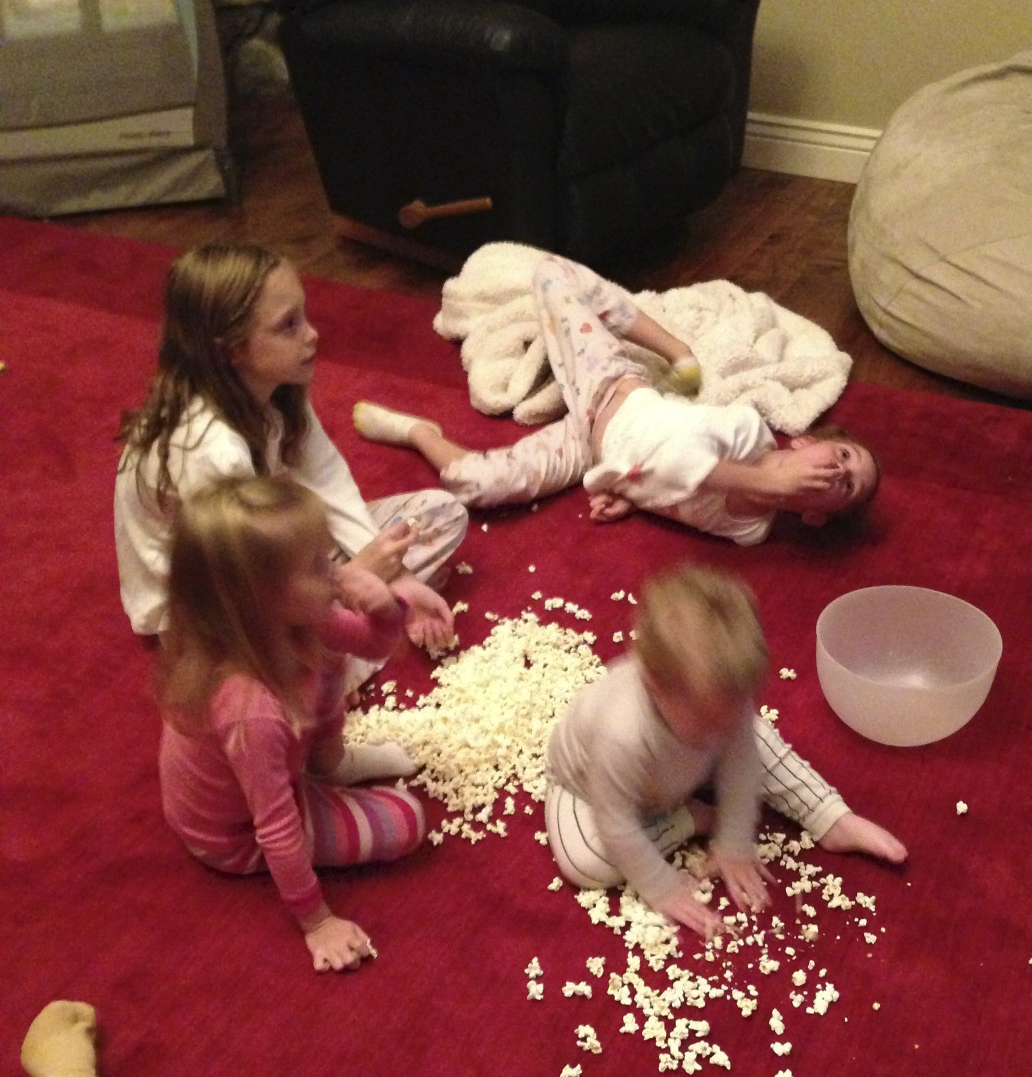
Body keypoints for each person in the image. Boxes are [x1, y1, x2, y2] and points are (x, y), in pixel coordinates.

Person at [352, 253, 878, 544]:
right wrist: (768, 480)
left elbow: (676, 493)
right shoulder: (748, 432)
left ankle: (418, 432)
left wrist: (631, 493)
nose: (839, 471)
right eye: (844, 455)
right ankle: (674, 348)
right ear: (806, 441)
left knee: (476, 485)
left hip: (592, 452)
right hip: (612, 390)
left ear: (816, 517)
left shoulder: (749, 528)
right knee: (551, 276)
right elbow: (679, 458)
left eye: (848, 485)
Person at [115, 242, 467, 656]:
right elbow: (244, 584)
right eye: (288, 326)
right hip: (214, 599)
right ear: (231, 351)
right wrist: (356, 577)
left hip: (272, 548)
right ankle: (341, 633)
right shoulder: (212, 452)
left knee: (442, 513)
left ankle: (348, 620)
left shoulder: (278, 384)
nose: (312, 334)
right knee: (288, 669)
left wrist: (396, 576)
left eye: (303, 315)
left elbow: (326, 477)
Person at [544, 564, 906, 939]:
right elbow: (615, 824)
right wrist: (662, 887)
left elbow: (741, 764)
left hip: (678, 766)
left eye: (737, 708)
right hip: (590, 790)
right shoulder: (621, 733)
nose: (726, 727)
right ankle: (691, 818)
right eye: (709, 719)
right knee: (585, 862)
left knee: (755, 738)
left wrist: (734, 842)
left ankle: (827, 815)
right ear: (653, 685)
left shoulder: (720, 707)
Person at [157, 476, 429, 973]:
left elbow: (369, 643)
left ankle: (331, 763)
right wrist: (317, 921)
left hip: (284, 764)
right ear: (260, 599)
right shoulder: (250, 710)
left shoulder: (299, 621)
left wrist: (387, 611)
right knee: (407, 821)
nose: (337, 572)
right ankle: (322, 776)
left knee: (330, 662)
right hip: (235, 834)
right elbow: (276, 827)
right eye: (318, 566)